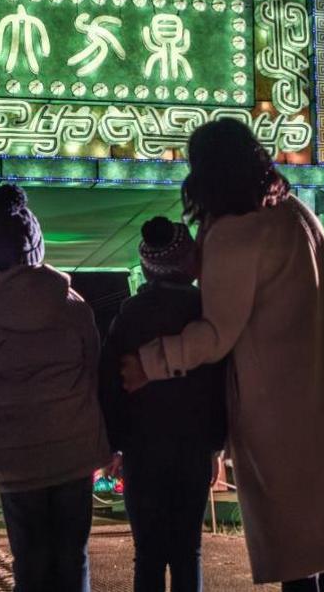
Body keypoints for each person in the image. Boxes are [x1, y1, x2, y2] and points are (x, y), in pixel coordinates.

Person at [120, 119, 324, 591]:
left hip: (280, 416)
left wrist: (149, 363)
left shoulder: (235, 234)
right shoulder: (297, 214)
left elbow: (216, 333)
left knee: (296, 554)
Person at [0, 184, 111, 592]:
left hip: (15, 458)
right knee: (72, 556)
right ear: (37, 247)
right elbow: (93, 371)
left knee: (31, 559)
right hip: (75, 450)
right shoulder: (74, 304)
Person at [100, 216, 226, 592]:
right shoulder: (207, 313)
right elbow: (220, 383)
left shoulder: (129, 316)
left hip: (142, 450)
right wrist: (216, 443)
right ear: (190, 263)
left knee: (149, 555)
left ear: (145, 268)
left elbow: (109, 383)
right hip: (193, 448)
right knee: (189, 552)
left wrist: (115, 443)